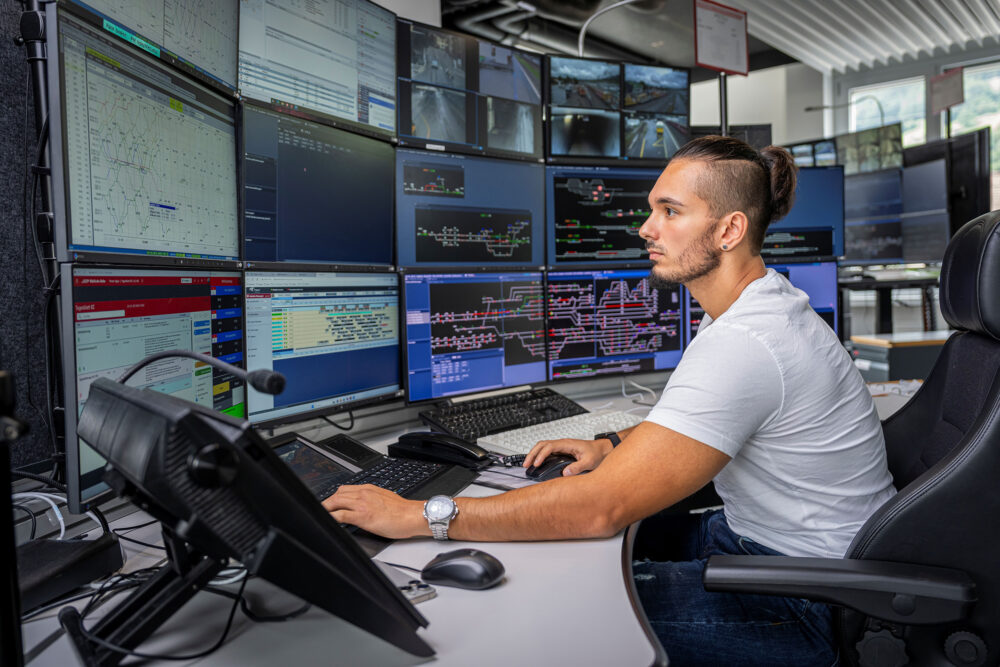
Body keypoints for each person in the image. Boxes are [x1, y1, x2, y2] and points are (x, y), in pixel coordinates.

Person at [324, 136, 896, 666]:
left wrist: (424, 515)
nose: (647, 229)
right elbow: (703, 429)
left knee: (555, 604)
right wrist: (614, 445)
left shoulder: (748, 340)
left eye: (670, 212)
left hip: (806, 599)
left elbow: (599, 509)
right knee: (561, 551)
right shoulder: (759, 308)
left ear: (728, 231)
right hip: (764, 543)